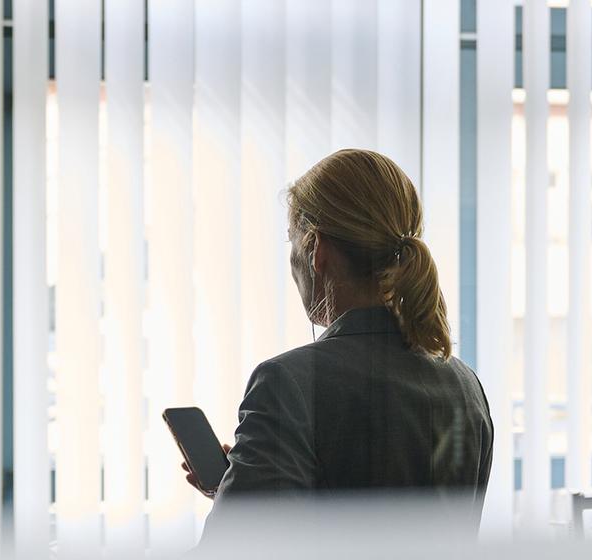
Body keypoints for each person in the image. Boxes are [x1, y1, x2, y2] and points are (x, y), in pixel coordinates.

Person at [186, 149, 493, 541]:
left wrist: (236, 503)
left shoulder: (288, 383)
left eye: (292, 240)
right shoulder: (465, 385)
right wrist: (244, 484)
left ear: (317, 249)